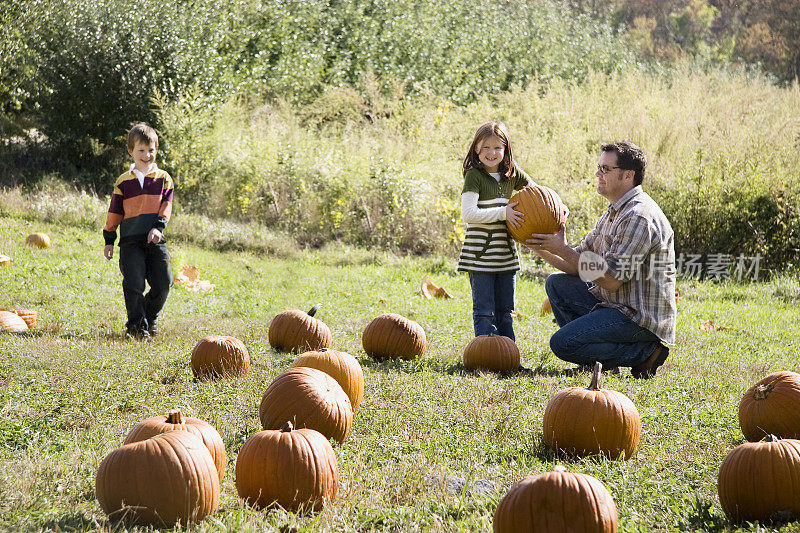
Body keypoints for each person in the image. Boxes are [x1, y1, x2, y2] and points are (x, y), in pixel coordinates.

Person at [527, 142, 676, 378]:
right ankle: (600, 360)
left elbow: (612, 280)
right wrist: (538, 245)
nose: (598, 173)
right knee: (557, 283)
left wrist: (563, 249)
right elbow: (576, 265)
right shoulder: (614, 211)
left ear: (627, 175)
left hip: (638, 317)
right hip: (614, 305)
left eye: (605, 169)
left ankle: (645, 353)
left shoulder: (638, 216)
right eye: (599, 167)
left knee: (562, 344)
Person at [457, 122, 534, 342]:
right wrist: (504, 213)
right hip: (480, 256)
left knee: (505, 310)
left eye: (498, 148)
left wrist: (556, 206)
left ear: (506, 150)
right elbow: (469, 214)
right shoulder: (475, 176)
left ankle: (509, 356)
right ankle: (486, 355)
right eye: (486, 148)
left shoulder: (512, 174)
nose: (492, 153)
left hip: (505, 256)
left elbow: (537, 192)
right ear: (477, 150)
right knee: (484, 310)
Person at [103, 123, 174, 339]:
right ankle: (136, 328)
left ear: (156, 150)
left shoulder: (164, 179)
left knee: (164, 283)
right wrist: (109, 239)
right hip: (130, 243)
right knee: (133, 285)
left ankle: (149, 318)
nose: (146, 155)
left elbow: (166, 206)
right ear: (131, 151)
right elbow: (114, 211)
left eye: (151, 150)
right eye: (141, 150)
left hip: (155, 240)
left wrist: (158, 228)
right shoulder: (124, 182)